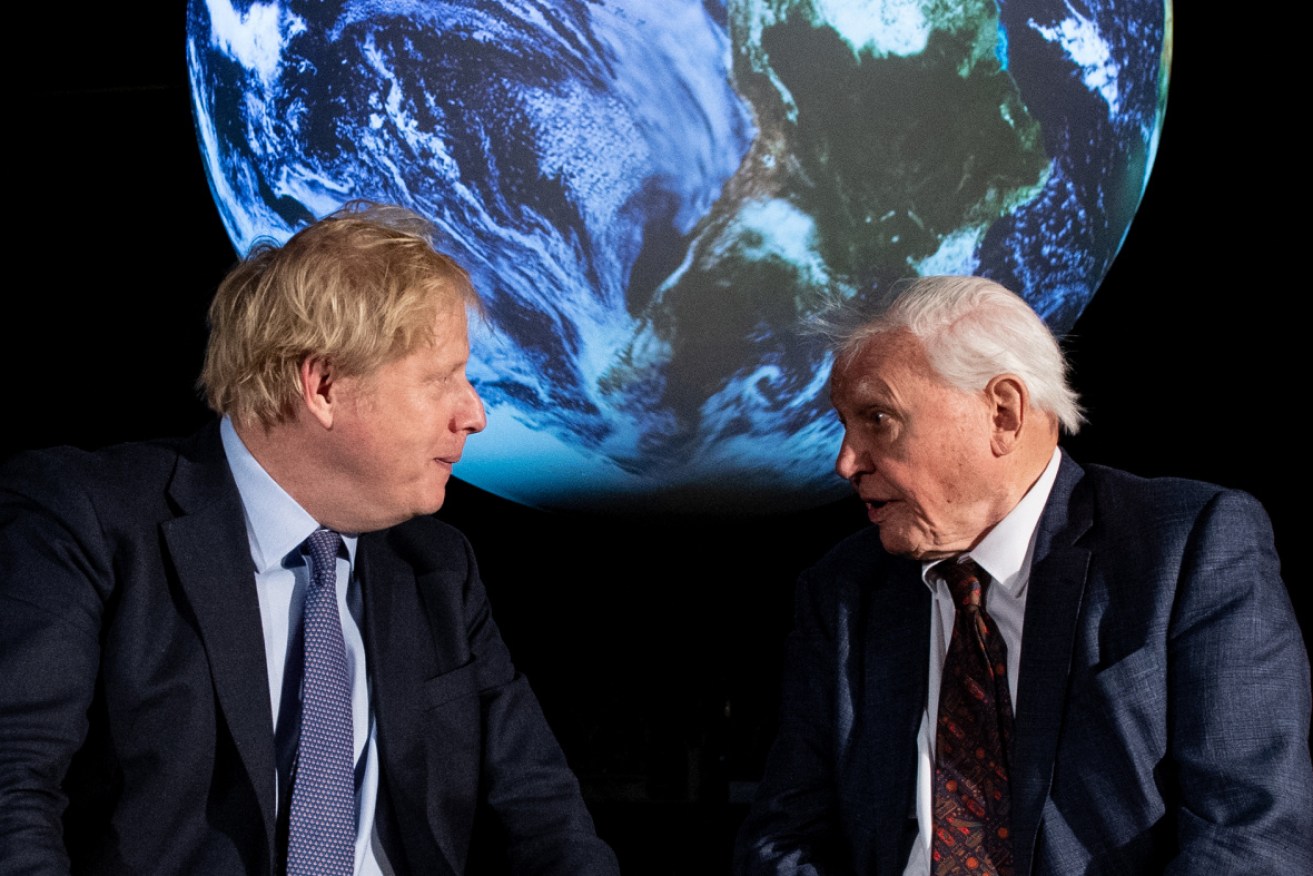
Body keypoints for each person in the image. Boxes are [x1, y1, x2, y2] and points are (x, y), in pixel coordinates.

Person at [0, 203, 619, 874]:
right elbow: (12, 787)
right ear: (322, 385)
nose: (474, 414)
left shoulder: (438, 566)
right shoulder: (87, 520)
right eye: (442, 378)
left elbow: (542, 814)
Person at [734, 275, 1312, 874]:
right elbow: (784, 836)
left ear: (1002, 413)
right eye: (844, 425)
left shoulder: (1183, 549)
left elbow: (1251, 836)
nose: (845, 461)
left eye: (878, 418)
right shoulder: (844, 591)